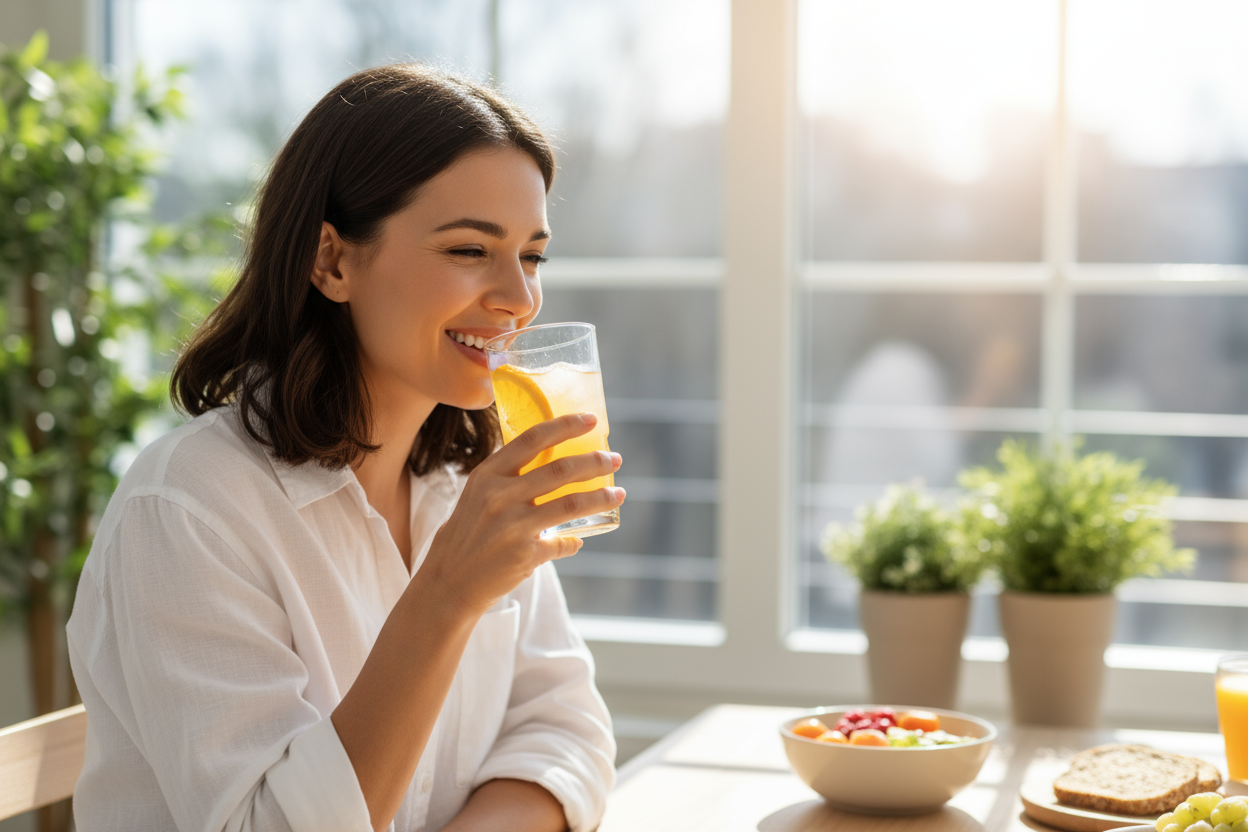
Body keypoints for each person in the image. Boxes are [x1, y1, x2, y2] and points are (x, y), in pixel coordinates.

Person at [66, 64, 625, 832]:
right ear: (331, 261)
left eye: (532, 256)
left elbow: (565, 733)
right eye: (469, 250)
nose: (519, 298)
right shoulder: (187, 510)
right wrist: (448, 593)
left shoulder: (473, 483)